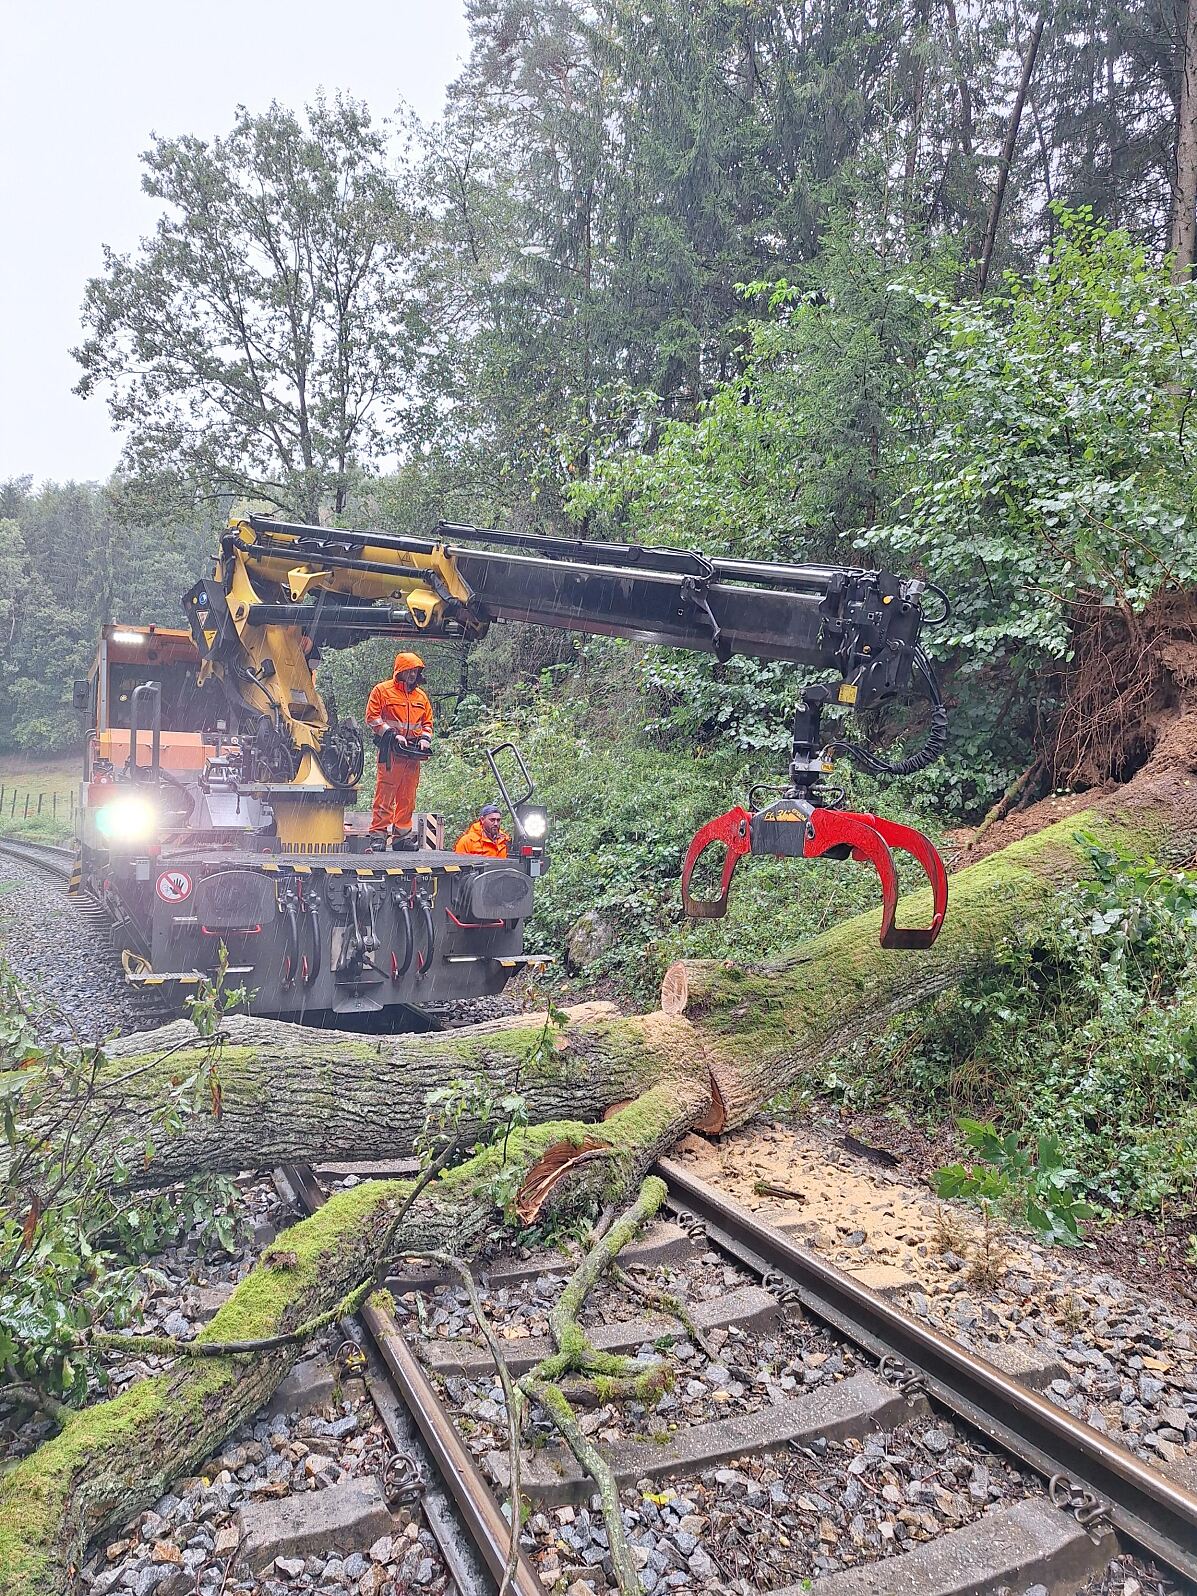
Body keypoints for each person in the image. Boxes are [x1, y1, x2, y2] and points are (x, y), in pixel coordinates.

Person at [365, 652, 433, 850]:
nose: (412, 674)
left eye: (415, 671)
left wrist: (425, 738)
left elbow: (427, 722)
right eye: (409, 670)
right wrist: (393, 734)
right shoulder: (382, 690)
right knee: (385, 793)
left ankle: (401, 837)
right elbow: (372, 717)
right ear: (400, 672)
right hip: (391, 751)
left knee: (407, 796)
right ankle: (378, 835)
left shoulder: (421, 696)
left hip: (412, 753)